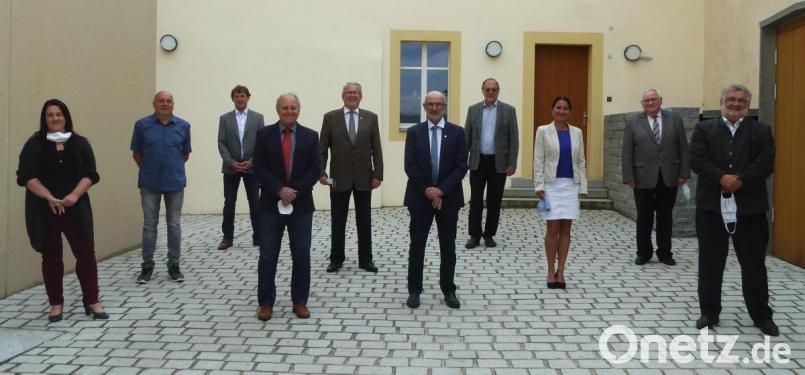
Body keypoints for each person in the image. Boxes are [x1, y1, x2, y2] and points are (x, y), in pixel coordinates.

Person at [689, 84, 778, 336]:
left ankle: (761, 315)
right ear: (722, 101)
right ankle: (709, 312)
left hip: (750, 209)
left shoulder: (761, 130)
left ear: (748, 105)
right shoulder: (704, 128)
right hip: (711, 208)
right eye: (731, 99)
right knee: (709, 262)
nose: (735, 103)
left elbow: (766, 162)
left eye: (741, 100)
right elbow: (697, 159)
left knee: (753, 265)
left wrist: (740, 179)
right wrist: (721, 178)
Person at [16, 99, 109, 322]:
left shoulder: (80, 143)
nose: (55, 118)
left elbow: (91, 173)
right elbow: (26, 176)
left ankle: (92, 301)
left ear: (66, 117)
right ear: (44, 119)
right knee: (51, 257)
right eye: (50, 115)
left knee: (86, 254)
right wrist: (49, 197)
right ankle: (56, 304)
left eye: (59, 114)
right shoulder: (34, 144)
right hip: (44, 208)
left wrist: (74, 195)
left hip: (75, 207)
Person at [253, 93, 320, 321]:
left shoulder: (311, 136)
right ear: (277, 109)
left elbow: (315, 169)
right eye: (285, 107)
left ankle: (300, 301)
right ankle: (265, 303)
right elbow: (259, 167)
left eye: (293, 107)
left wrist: (294, 192)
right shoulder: (264, 135)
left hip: (301, 206)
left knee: (301, 255)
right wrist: (279, 190)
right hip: (271, 205)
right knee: (268, 255)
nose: (289, 111)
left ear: (299, 110)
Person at [403, 91, 467, 309]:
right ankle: (414, 290)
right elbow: (410, 166)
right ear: (424, 107)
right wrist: (429, 191)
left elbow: (461, 167)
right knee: (417, 245)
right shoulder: (414, 132)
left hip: (448, 198)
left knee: (448, 246)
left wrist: (441, 191)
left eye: (438, 104)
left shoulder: (457, 133)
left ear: (445, 106)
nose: (434, 108)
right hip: (420, 198)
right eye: (430, 104)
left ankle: (448, 289)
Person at [319, 82, 384, 273]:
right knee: (337, 221)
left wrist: (378, 174)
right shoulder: (330, 118)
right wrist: (321, 172)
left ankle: (366, 260)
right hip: (339, 178)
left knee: (364, 221)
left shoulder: (371, 118)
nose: (352, 95)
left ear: (361, 96)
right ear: (343, 96)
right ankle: (336, 259)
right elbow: (322, 149)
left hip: (365, 177)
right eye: (349, 92)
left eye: (356, 92)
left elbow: (377, 149)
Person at [622, 89, 690, 266]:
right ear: (642, 104)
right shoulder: (633, 121)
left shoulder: (674, 119)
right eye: (646, 101)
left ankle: (665, 252)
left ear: (660, 101)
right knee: (644, 216)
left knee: (665, 216)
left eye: (653, 99)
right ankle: (643, 253)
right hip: (642, 177)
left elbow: (683, 147)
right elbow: (627, 152)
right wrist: (629, 176)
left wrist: (684, 173)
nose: (650, 103)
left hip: (669, 176)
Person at [131, 90, 192, 284]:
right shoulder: (142, 125)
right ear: (154, 104)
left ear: (173, 104)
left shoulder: (183, 126)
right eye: (161, 101)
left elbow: (185, 154)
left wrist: (170, 168)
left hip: (175, 183)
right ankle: (147, 266)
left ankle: (174, 265)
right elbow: (137, 153)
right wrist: (151, 169)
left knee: (174, 225)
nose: (165, 104)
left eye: (169, 101)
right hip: (150, 183)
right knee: (149, 225)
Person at [533, 96, 588, 289]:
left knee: (566, 229)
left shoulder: (577, 132)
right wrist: (539, 185)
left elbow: (581, 161)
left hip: (571, 185)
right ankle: (550, 270)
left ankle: (561, 272)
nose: (561, 111)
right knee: (552, 229)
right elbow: (538, 159)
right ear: (552, 110)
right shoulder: (542, 131)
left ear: (570, 112)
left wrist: (583, 186)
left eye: (565, 108)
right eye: (558, 107)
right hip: (551, 185)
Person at [464, 78, 519, 249]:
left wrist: (512, 162)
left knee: (495, 201)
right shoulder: (473, 110)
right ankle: (474, 235)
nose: (490, 92)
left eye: (494, 89)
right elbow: (467, 137)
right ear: (482, 90)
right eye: (487, 89)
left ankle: (489, 235)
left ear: (498, 91)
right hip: (478, 162)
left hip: (499, 163)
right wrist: (461, 162)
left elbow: (514, 139)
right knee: (476, 201)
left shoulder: (509, 111)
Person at [217, 85, 265, 250]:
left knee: (255, 203)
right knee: (229, 203)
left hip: (252, 168)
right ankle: (227, 237)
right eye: (236, 96)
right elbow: (221, 142)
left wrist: (252, 161)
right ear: (233, 99)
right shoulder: (225, 118)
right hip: (231, 168)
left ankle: (258, 236)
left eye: (242, 96)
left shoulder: (258, 118)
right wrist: (231, 162)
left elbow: (261, 142)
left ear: (248, 97)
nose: (240, 99)